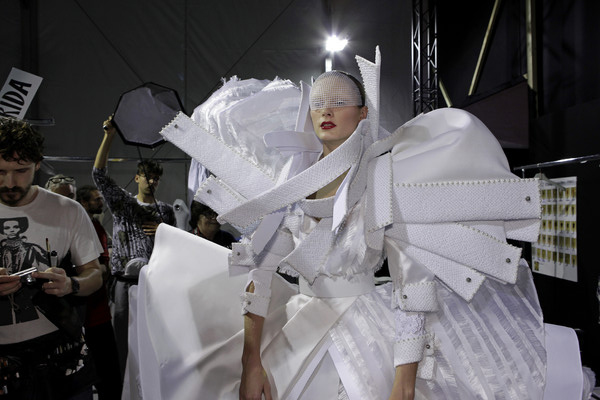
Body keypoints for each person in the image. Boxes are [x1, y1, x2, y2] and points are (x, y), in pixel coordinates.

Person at [152, 49, 589, 399]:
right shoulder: (289, 182)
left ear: (363, 114)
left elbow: (412, 287)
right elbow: (260, 274)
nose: (326, 110)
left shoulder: (385, 181)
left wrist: (404, 383)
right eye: (318, 103)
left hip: (365, 332)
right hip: (297, 328)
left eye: (339, 102)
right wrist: (251, 361)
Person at [0, 117, 103, 399]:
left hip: (61, 352)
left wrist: (71, 284)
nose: (10, 182)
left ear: (37, 164)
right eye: (0, 171)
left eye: (21, 170)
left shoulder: (67, 210)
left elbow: (95, 274)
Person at [92, 116, 175, 377]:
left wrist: (165, 232)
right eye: (148, 177)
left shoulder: (166, 212)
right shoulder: (123, 204)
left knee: (156, 338)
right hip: (124, 282)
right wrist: (109, 136)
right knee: (122, 339)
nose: (152, 181)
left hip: (155, 283)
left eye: (156, 178)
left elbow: (176, 248)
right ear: (137, 177)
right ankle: (123, 385)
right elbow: (99, 175)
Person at [76, 185, 123, 399]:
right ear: (84, 203)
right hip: (88, 312)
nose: (101, 202)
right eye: (96, 199)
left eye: (100, 198)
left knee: (108, 367)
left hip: (99, 307)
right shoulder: (82, 227)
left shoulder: (95, 225)